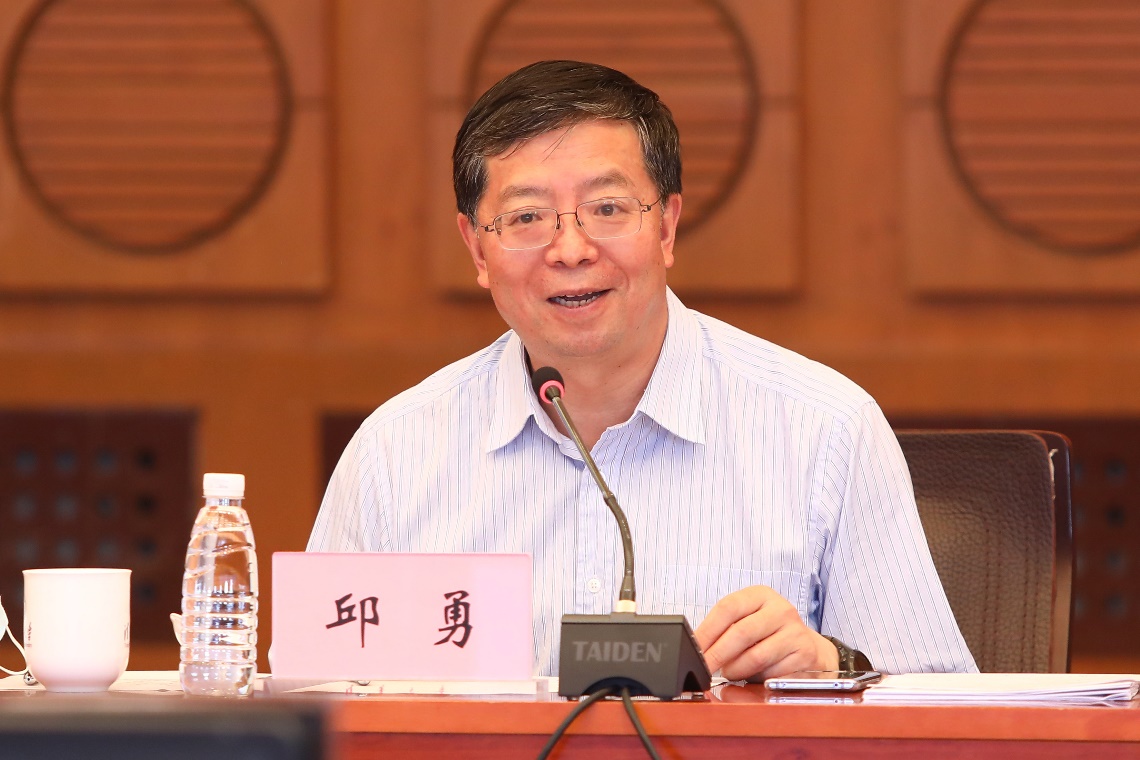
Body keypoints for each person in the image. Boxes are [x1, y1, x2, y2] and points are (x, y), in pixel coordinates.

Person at [308, 60, 977, 679]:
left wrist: (832, 667)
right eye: (526, 217)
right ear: (477, 250)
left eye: (608, 209)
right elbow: (317, 706)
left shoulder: (826, 430)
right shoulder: (395, 455)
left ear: (666, 227)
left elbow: (947, 717)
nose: (571, 250)